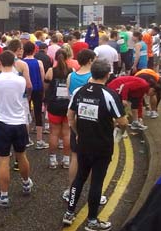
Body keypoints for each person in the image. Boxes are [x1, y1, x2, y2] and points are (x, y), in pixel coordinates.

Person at [63, 59, 128, 230]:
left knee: (79, 178)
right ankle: (92, 221)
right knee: (97, 182)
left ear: (92, 73)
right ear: (107, 75)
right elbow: (122, 122)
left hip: (83, 142)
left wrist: (78, 133)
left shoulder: (79, 91)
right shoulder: (109, 94)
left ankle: (69, 212)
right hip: (102, 145)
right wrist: (117, 126)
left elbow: (70, 117)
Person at [0, 50, 33, 207]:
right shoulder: (20, 81)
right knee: (21, 155)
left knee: (3, 160)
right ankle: (26, 183)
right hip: (19, 122)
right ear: (14, 63)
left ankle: (4, 196)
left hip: (1, 123)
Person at [45, 49, 72, 169]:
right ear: (67, 58)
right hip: (67, 106)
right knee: (67, 133)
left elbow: (46, 87)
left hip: (54, 105)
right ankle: (66, 160)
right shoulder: (71, 72)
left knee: (54, 133)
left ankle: (52, 160)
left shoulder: (51, 71)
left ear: (55, 58)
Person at [23, 42, 45, 147]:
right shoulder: (39, 62)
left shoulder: (21, 63)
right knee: (38, 113)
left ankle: (26, 138)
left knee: (25, 112)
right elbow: (43, 77)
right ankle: (39, 140)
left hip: (25, 90)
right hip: (38, 89)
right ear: (34, 50)